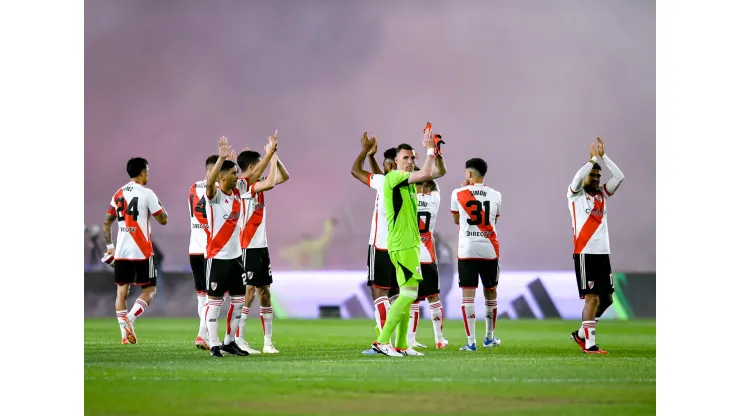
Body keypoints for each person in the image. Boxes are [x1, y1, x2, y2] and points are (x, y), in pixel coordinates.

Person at [371, 124, 447, 357]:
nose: (410, 161)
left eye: (412, 158)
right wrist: (428, 151)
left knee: (408, 294)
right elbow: (426, 173)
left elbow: (437, 173)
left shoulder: (409, 180)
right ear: (395, 160)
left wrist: (436, 153)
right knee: (408, 294)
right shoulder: (394, 177)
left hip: (410, 244)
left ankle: (401, 345)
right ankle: (382, 341)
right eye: (405, 157)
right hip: (401, 244)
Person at [232, 131, 288, 355]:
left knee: (265, 291)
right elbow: (272, 182)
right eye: (259, 165)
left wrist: (274, 156)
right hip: (247, 246)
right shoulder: (243, 186)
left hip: (260, 246)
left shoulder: (256, 183)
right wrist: (270, 155)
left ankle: (267, 342)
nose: (262, 169)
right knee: (249, 292)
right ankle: (239, 339)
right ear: (252, 167)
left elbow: (282, 177)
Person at [102, 157, 168, 344]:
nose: (148, 174)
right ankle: (130, 319)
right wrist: (161, 208)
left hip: (122, 252)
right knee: (150, 290)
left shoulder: (118, 194)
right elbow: (163, 220)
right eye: (147, 170)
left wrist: (110, 248)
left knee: (121, 293)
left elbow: (106, 223)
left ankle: (124, 334)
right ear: (142, 172)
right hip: (142, 251)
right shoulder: (147, 194)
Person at [567, 137, 624, 355]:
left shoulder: (601, 195)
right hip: (585, 253)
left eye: (599, 176)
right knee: (591, 298)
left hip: (602, 254)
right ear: (585, 176)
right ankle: (589, 345)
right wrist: (591, 161)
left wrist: (603, 157)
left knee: (607, 299)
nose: (597, 178)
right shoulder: (575, 194)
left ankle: (581, 333)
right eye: (593, 175)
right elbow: (577, 177)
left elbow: (619, 177)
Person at [350, 133, 399, 350]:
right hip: (401, 246)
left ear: (390, 165)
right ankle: (398, 341)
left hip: (380, 244)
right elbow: (381, 178)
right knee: (397, 294)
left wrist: (364, 151)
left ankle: (382, 341)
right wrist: (373, 158)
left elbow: (355, 171)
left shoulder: (385, 181)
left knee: (379, 292)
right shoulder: (404, 184)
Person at [202, 136, 249, 357]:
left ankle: (230, 341)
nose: (237, 175)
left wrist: (269, 156)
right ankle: (213, 343)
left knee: (239, 302)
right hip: (217, 258)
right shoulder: (214, 196)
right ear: (222, 176)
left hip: (237, 258)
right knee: (215, 304)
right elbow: (210, 183)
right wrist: (221, 158)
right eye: (233, 173)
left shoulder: (238, 192)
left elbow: (254, 176)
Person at [450, 158, 502, 351]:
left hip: (467, 249)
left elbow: (457, 220)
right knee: (491, 293)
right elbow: (493, 220)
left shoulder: (458, 193)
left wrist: (465, 193)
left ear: (469, 174)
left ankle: (471, 342)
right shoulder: (496, 195)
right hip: (489, 249)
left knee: (468, 297)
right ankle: (489, 337)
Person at [406, 169, 449, 349]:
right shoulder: (433, 200)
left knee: (411, 298)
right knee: (433, 297)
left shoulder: (406, 201)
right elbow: (435, 186)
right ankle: (439, 339)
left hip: (409, 254)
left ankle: (409, 339)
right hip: (427, 255)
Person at [188, 155, 219, 350]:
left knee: (202, 296)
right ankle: (202, 333)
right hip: (211, 250)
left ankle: (204, 333)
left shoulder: (192, 188)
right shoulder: (217, 190)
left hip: (194, 250)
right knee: (212, 297)